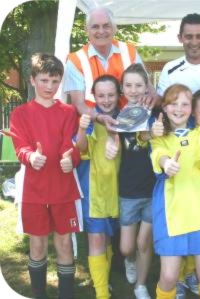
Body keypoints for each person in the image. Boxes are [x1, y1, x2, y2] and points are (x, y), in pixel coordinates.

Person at [141, 84, 200, 299]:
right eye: (173, 103)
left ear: (192, 109)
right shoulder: (158, 133)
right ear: (165, 107)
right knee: (168, 277)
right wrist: (166, 163)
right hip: (172, 213)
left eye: (185, 104)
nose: (179, 109)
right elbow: (157, 153)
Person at [9, 53, 81, 299]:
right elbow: (20, 146)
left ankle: (66, 295)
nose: (50, 87)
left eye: (55, 80)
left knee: (63, 243)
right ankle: (38, 293)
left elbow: (72, 144)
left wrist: (68, 158)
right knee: (37, 245)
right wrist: (30, 157)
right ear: (32, 80)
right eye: (44, 80)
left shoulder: (69, 111)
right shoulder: (20, 113)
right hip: (34, 190)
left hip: (63, 188)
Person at [64, 6, 155, 128]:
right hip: (93, 128)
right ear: (86, 30)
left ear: (114, 28)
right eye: (95, 26)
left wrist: (150, 98)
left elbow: (149, 88)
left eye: (106, 26)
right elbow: (79, 104)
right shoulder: (75, 60)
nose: (101, 31)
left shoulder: (129, 51)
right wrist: (99, 117)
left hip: (131, 123)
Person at [75, 75, 121, 299]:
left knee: (108, 238)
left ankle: (105, 280)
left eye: (111, 94)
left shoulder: (125, 119)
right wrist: (82, 129)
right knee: (96, 238)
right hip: (94, 189)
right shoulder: (91, 120)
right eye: (101, 95)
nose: (106, 99)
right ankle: (101, 293)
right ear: (94, 97)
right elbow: (81, 148)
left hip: (116, 189)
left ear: (118, 95)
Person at [118, 64, 157, 299]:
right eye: (129, 85)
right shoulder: (116, 117)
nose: (133, 90)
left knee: (144, 242)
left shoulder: (157, 116)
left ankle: (140, 285)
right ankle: (129, 260)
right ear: (122, 88)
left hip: (153, 189)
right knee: (127, 247)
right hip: (128, 191)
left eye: (139, 85)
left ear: (147, 87)